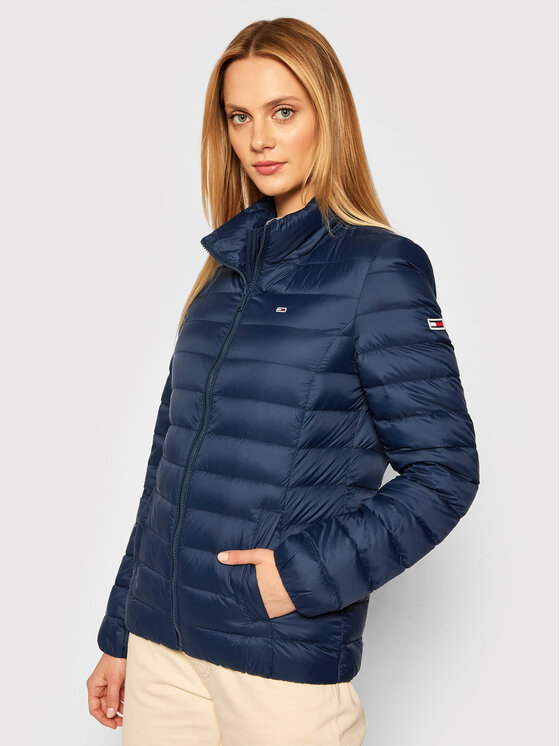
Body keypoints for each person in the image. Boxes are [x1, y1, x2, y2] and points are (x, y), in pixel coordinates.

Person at [86, 17, 480, 746]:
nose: (259, 139)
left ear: (327, 118)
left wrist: (294, 577)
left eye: (283, 112)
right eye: (240, 117)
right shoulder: (220, 275)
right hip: (163, 650)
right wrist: (121, 630)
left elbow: (445, 474)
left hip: (276, 667)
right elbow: (167, 467)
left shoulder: (380, 269)